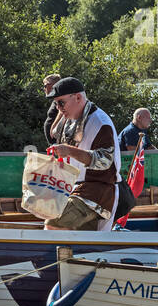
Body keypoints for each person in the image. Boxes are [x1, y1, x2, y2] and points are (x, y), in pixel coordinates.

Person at [43, 78, 121, 231]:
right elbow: (54, 134)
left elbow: (105, 161)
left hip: (98, 191)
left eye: (61, 103)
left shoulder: (100, 122)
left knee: (54, 223)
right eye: (55, 104)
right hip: (76, 189)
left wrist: (70, 151)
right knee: (79, 243)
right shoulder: (69, 119)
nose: (58, 108)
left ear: (78, 97)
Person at [42, 73, 63, 142]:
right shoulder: (55, 99)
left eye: (45, 85)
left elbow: (62, 112)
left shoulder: (60, 98)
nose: (44, 88)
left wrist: (53, 128)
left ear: (53, 85)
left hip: (58, 139)